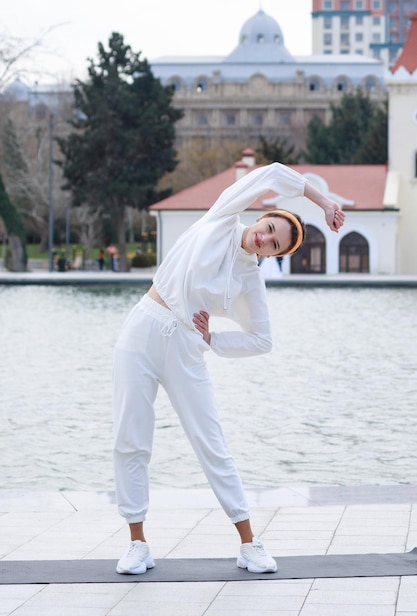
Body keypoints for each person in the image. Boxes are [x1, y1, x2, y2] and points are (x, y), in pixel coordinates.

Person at [112, 161, 345, 575]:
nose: (266, 238)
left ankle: (249, 543)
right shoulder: (222, 216)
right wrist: (323, 201)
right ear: (263, 216)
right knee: (131, 437)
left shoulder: (250, 279)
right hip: (144, 326)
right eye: (271, 228)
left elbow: (262, 340)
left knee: (212, 443)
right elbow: (273, 171)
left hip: (186, 345)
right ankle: (137, 544)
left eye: (275, 245)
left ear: (274, 255)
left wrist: (215, 340)